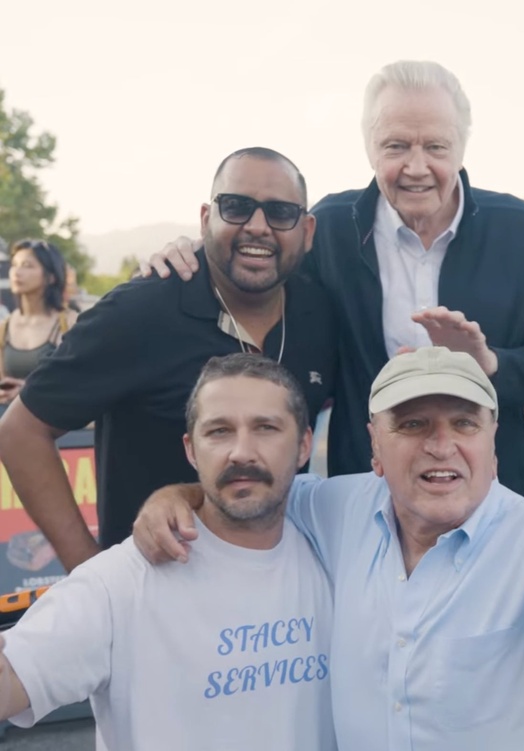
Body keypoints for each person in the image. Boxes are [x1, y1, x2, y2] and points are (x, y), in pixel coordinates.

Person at [133, 346, 524, 751]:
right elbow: (252, 490)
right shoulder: (336, 507)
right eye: (413, 425)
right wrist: (178, 494)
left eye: (463, 423)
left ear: (493, 441)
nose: (440, 445)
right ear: (374, 448)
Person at [143, 60, 524, 499]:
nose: (416, 167)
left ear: (462, 147)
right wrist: (193, 253)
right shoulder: (327, 229)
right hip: (365, 496)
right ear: (369, 147)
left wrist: (489, 364)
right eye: (396, 146)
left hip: (490, 494)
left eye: (436, 148)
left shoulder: (523, 232)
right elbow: (252, 268)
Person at [0, 147, 337, 572]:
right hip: (155, 600)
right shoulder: (140, 311)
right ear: (204, 219)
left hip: (278, 593)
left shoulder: (319, 315)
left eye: (280, 212)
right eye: (235, 207)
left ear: (306, 231)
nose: (257, 227)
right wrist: (89, 572)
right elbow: (20, 431)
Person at [0, 354, 335, 750]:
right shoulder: (120, 581)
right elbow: (12, 679)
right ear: (191, 450)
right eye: (219, 431)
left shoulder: (335, 547)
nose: (241, 451)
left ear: (303, 446)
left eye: (266, 428)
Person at [0, 240, 78, 405]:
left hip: (52, 423)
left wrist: (28, 390)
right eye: (14, 265)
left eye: (27, 265)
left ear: (51, 277)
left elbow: (83, 381)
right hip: (8, 421)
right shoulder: (4, 326)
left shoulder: (70, 324)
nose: (16, 272)